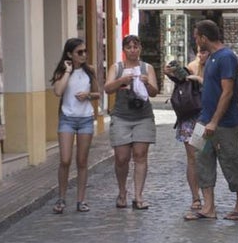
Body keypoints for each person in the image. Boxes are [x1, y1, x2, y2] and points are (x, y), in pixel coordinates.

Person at [186, 19, 238, 221]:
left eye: (196, 37)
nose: (196, 41)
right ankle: (208, 207)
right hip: (204, 119)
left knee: (230, 160)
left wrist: (214, 121)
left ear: (204, 37)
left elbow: (227, 92)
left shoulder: (226, 57)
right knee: (200, 158)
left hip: (225, 122)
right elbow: (211, 87)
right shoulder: (210, 58)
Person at [104, 34, 158, 210]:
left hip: (143, 116)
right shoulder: (116, 67)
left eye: (136, 47)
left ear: (140, 48)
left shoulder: (147, 68)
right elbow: (107, 88)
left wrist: (146, 83)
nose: (133, 50)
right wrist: (122, 81)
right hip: (121, 116)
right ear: (124, 50)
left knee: (140, 155)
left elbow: (154, 92)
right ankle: (122, 191)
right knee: (121, 158)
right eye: (129, 47)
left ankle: (139, 195)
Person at [50, 38, 97, 213]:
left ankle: (81, 200)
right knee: (65, 159)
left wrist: (88, 95)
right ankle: (61, 198)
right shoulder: (62, 71)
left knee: (82, 161)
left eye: (85, 51)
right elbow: (58, 92)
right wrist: (68, 71)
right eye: (79, 52)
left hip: (85, 118)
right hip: (67, 119)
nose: (84, 55)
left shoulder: (90, 71)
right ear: (70, 54)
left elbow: (98, 93)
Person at [164, 46, 209, 212]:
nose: (200, 54)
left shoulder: (214, 66)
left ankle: (207, 197)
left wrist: (199, 79)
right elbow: (180, 79)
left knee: (203, 157)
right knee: (193, 157)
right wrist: (171, 72)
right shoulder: (191, 66)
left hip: (207, 117)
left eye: (203, 51)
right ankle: (196, 197)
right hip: (191, 117)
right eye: (198, 51)